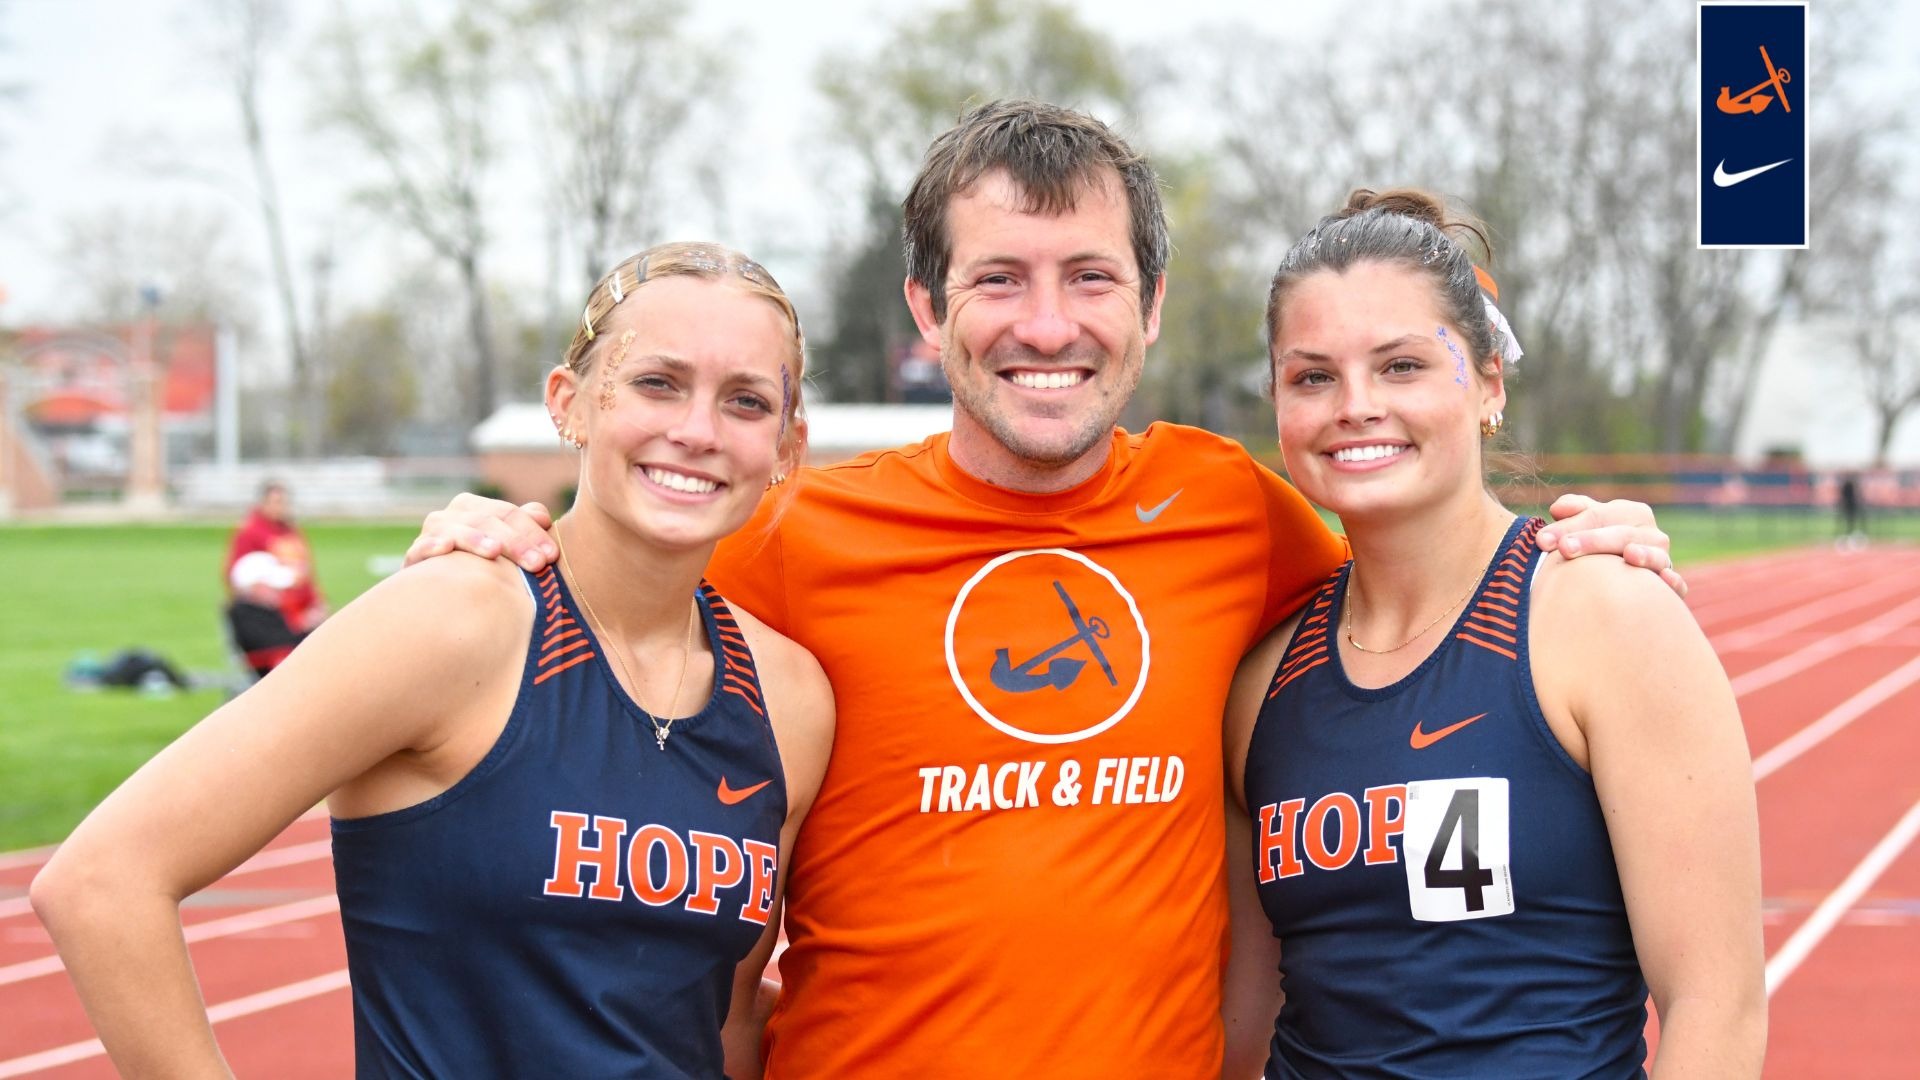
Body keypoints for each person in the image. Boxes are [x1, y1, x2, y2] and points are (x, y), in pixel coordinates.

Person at [405, 101, 1682, 1077]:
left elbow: (1425, 572)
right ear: (926, 308)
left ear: (1152, 304)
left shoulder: (1235, 512)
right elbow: (613, 598)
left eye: (1090, 277)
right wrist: (503, 533)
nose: (1049, 325)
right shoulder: (796, 537)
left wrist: (1586, 540)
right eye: (998, 279)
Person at [31, 242, 836, 1079]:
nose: (697, 431)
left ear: (787, 444)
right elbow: (101, 883)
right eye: (656, 383)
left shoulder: (789, 697)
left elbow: (728, 1020)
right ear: (572, 404)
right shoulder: (455, 619)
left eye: (745, 402)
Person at [1221, 190, 1765, 1077]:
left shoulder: (1604, 618)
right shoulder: (1259, 686)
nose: (1355, 405)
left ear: (1488, 382)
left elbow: (1719, 1009)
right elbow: (1245, 1024)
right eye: (1312, 375)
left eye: (1401, 366)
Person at [226, 480, 327, 634]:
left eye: (284, 502)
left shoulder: (292, 531)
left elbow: (305, 573)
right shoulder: (250, 532)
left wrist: (316, 603)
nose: (280, 507)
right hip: (275, 616)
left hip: (304, 610)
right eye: (276, 502)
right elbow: (239, 576)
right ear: (263, 503)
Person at [225, 550, 307, 676]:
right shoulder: (247, 614)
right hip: (275, 672)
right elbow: (276, 644)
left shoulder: (266, 610)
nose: (279, 591)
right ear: (255, 587)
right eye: (272, 586)